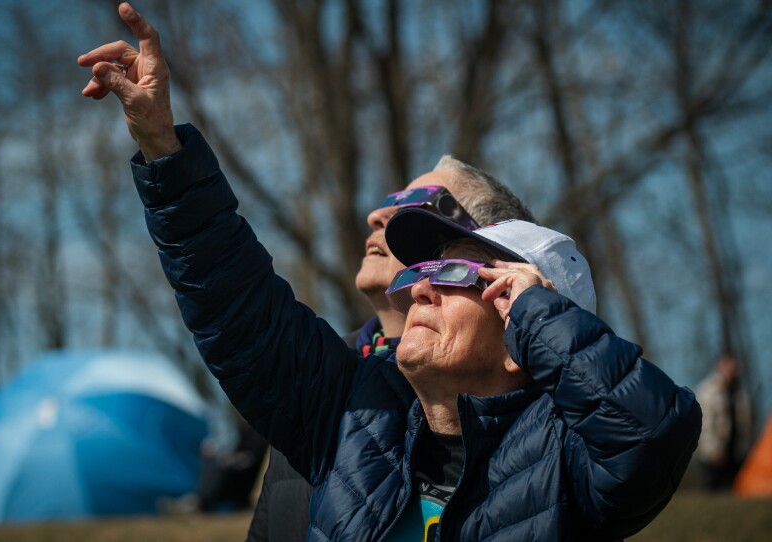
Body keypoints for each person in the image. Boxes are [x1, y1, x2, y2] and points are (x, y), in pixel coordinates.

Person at [79, 4, 702, 539]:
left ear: (520, 319)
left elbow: (651, 437)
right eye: (424, 264)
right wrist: (163, 147)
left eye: (459, 271)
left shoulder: (568, 461)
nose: (423, 283)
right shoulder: (354, 414)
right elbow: (236, 305)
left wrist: (540, 317)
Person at [249, 168, 534, 541]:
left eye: (415, 205)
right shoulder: (318, 376)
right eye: (388, 202)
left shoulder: (529, 413)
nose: (376, 216)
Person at [696, 352, 752, 491]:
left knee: (736, 491)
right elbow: (705, 423)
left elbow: (744, 424)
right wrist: (713, 450)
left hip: (736, 451)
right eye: (729, 365)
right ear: (720, 366)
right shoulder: (707, 391)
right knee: (712, 492)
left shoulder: (740, 393)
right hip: (714, 454)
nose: (733, 369)